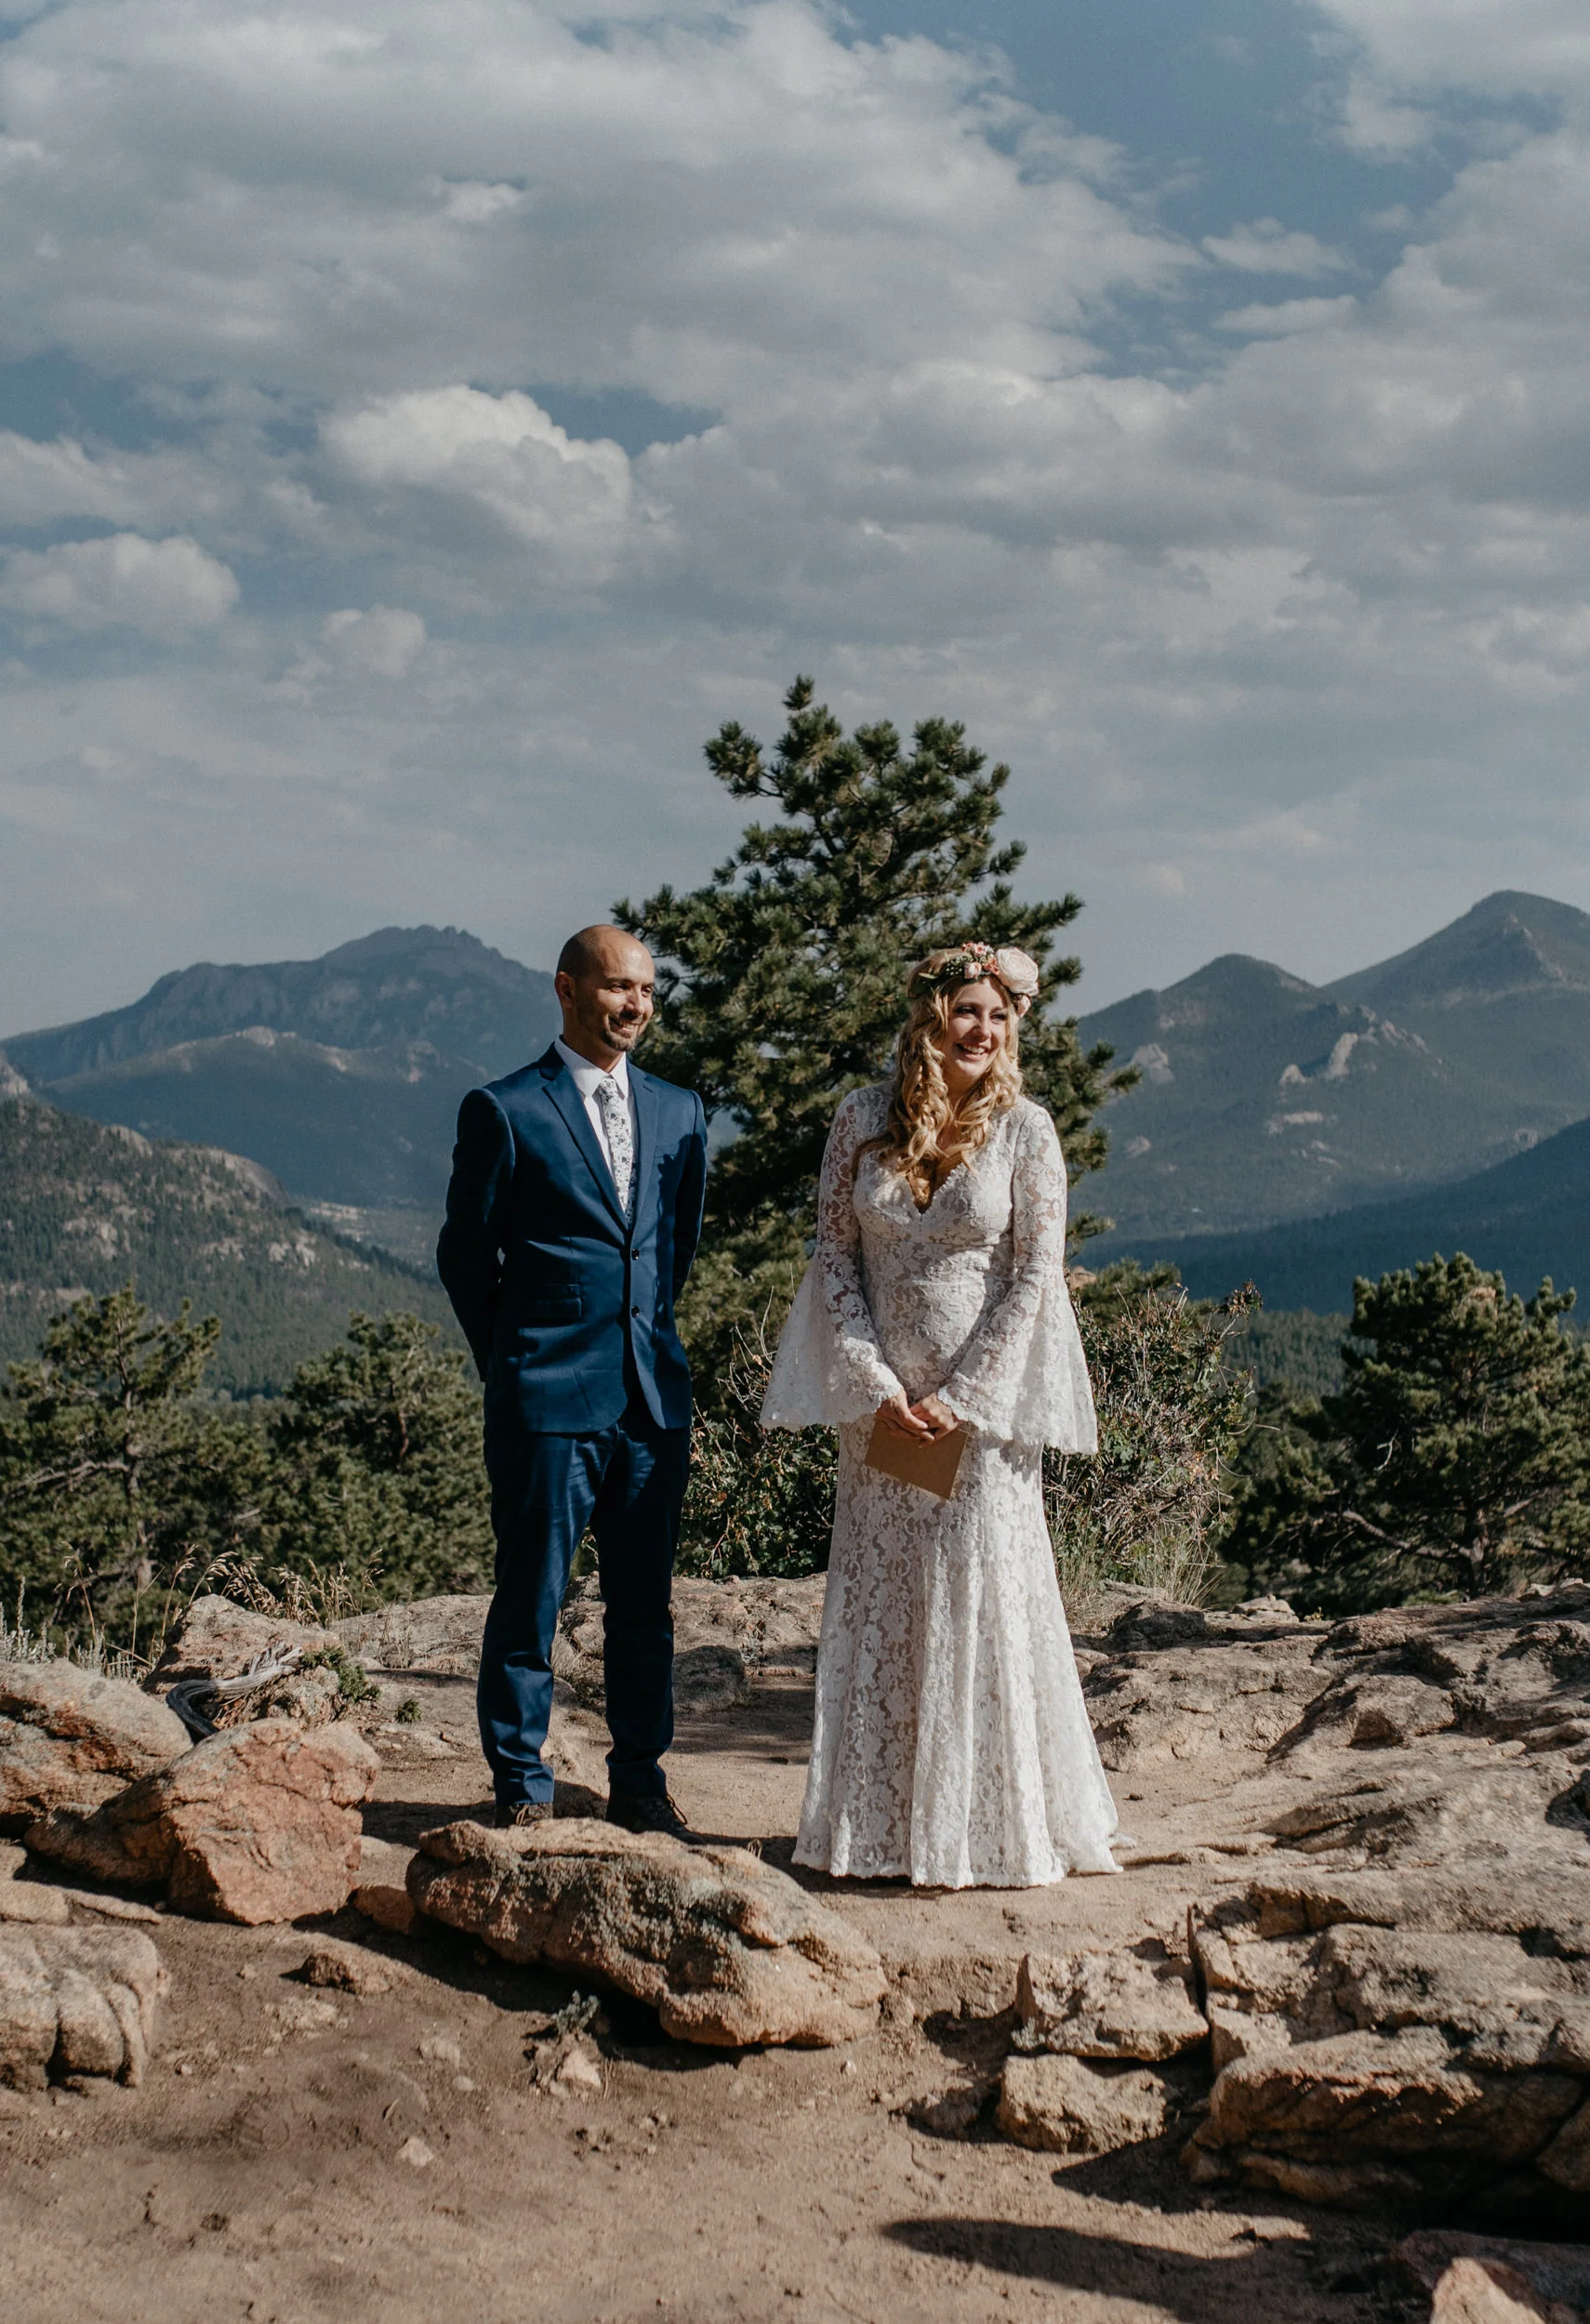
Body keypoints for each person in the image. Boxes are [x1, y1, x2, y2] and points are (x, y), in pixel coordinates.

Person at [761, 941, 1122, 1888]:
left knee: (977, 1595)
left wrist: (963, 1397)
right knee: (886, 1599)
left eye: (1000, 1017)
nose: (985, 1031)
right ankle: (876, 1826)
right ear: (927, 1020)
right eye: (968, 1011)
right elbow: (834, 1254)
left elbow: (1036, 1274)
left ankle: (986, 1830)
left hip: (979, 1416)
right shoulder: (859, 1121)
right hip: (878, 1409)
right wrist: (875, 1379)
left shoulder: (1025, 1130)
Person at [437, 923, 708, 1834]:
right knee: (531, 1599)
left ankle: (640, 1781)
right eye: (616, 987)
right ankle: (521, 1782)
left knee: (643, 1605)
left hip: (651, 1400)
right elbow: (466, 1257)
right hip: (545, 1394)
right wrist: (511, 1362)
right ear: (566, 989)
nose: (634, 1004)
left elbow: (674, 1246)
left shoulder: (680, 1111)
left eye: (645, 990)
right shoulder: (507, 1107)